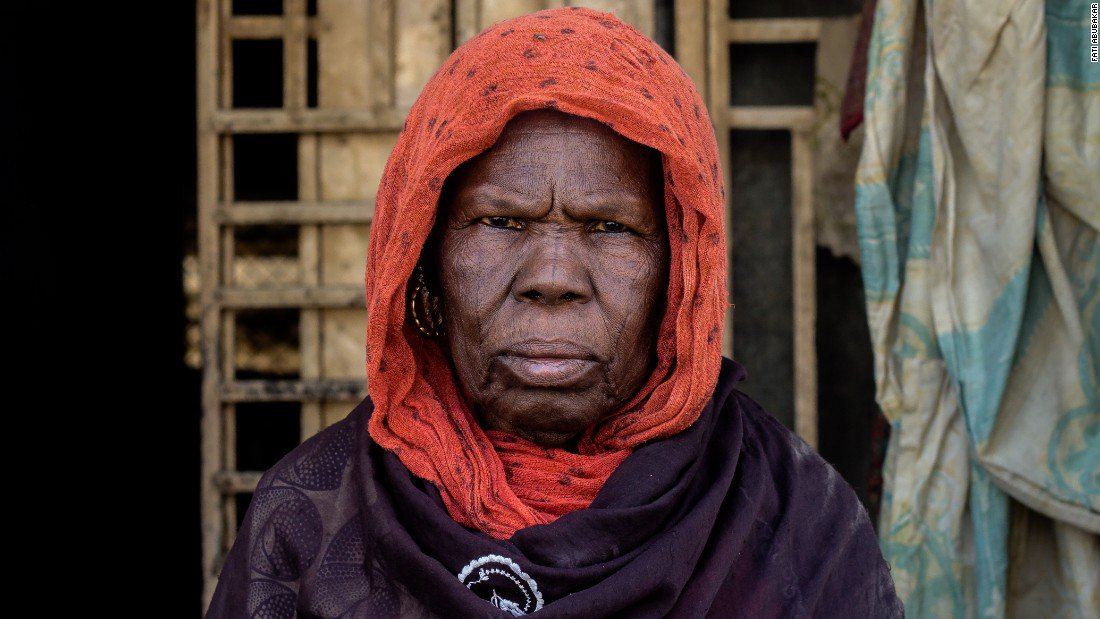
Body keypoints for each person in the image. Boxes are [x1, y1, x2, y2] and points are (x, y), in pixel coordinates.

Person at [206, 7, 902, 617]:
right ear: (423, 263)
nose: (553, 276)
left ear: (681, 274)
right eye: (501, 221)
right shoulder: (310, 518)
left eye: (609, 227)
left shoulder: (797, 525)